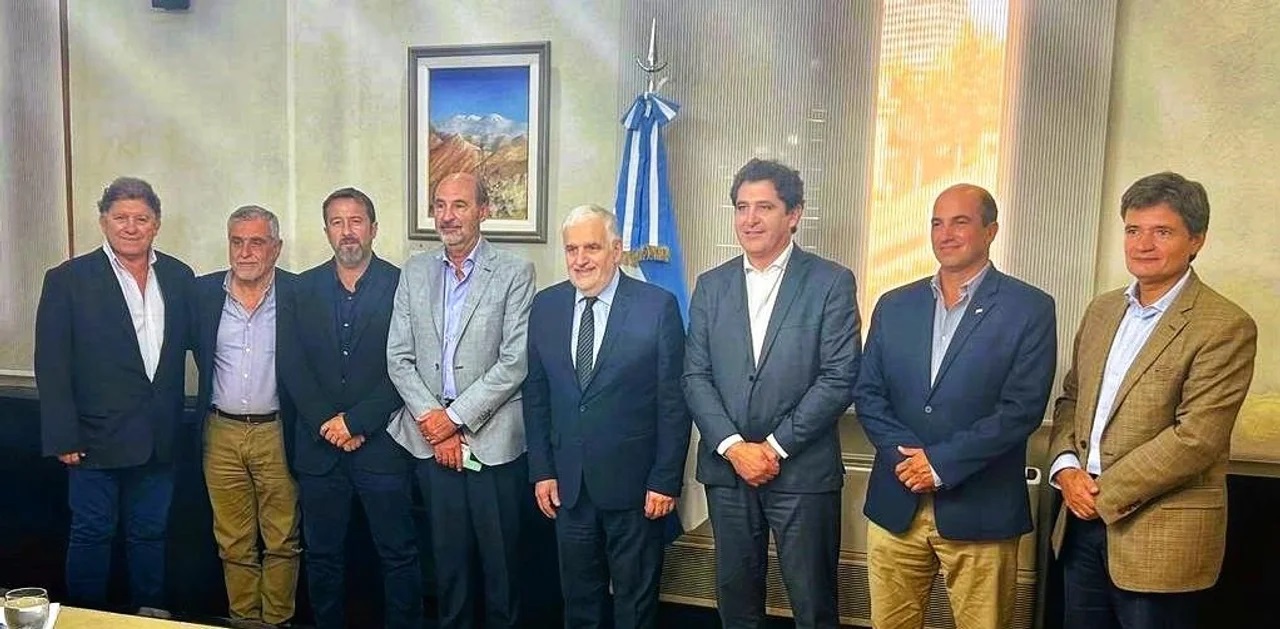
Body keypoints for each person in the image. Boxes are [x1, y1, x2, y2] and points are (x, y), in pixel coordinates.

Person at [1048, 171, 1257, 629]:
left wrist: (1100, 493)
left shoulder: (1225, 325)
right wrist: (1065, 470)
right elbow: (1071, 400)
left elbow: (1196, 438)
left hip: (1159, 535)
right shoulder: (1102, 310)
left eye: (1162, 231)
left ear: (1196, 240)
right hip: (1079, 522)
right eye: (1132, 230)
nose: (1142, 244)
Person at [854, 184, 1057, 628]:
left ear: (991, 231)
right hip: (897, 503)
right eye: (937, 223)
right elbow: (868, 393)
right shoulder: (895, 305)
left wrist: (939, 464)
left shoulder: (1029, 308)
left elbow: (1021, 409)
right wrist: (909, 461)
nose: (945, 234)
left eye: (960, 222)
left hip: (981, 508)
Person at [683, 158, 861, 628]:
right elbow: (695, 376)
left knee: (813, 605)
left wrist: (774, 448)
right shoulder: (711, 286)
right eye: (742, 207)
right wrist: (734, 447)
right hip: (729, 470)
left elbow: (839, 376)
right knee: (736, 603)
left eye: (764, 207)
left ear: (794, 214)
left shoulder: (830, 282)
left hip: (802, 471)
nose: (750, 219)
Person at [523, 204, 690, 628]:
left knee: (634, 605)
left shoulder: (657, 306)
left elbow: (673, 402)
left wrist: (665, 479)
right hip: (569, 487)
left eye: (592, 248)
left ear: (616, 250)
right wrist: (542, 470)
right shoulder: (546, 306)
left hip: (636, 490)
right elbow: (536, 395)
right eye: (572, 249)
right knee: (579, 602)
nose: (580, 260)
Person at [35, 177, 194, 614]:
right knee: (92, 534)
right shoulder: (68, 280)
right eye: (121, 217)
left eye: (141, 218)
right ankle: (84, 619)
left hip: (159, 439)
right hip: (93, 439)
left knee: (150, 535)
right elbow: (52, 363)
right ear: (103, 221)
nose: (131, 227)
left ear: (156, 224)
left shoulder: (179, 276)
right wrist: (63, 435)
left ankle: (150, 616)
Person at [387, 172, 535, 629]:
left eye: (459, 205)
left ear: (483, 211)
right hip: (430, 442)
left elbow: (513, 362)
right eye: (440, 205)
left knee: (501, 570)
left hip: (491, 443)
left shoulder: (514, 272)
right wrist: (435, 422)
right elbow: (398, 357)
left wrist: (453, 419)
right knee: (448, 569)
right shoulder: (414, 271)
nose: (447, 216)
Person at [277, 188, 422, 629]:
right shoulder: (300, 288)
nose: (347, 231)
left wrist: (356, 422)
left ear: (373, 228)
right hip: (320, 450)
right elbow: (292, 364)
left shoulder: (402, 286)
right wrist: (330, 423)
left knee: (398, 554)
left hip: (382, 447)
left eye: (356, 221)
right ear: (326, 231)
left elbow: (407, 364)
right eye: (337, 222)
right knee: (322, 556)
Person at [192, 205, 300, 627]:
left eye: (256, 242)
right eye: (237, 242)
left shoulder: (297, 294)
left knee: (282, 540)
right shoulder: (202, 294)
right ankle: (244, 620)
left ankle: (276, 621)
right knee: (233, 542)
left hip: (277, 431)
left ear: (276, 248)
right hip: (220, 432)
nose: (245, 252)